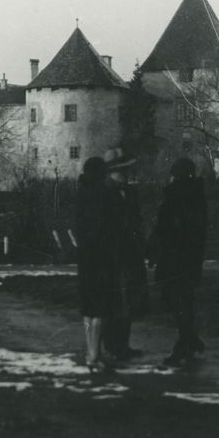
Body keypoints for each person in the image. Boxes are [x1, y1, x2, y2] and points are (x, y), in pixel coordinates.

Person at [152, 157, 208, 366]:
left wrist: (154, 250)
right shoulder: (197, 195)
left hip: (174, 258)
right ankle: (190, 340)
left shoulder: (175, 197)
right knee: (185, 301)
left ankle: (185, 343)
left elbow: (164, 228)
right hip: (191, 258)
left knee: (178, 302)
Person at [102, 147, 148, 361]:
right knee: (113, 300)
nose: (128, 173)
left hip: (130, 255)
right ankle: (110, 345)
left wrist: (141, 245)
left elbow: (136, 222)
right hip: (111, 255)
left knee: (128, 299)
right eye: (125, 169)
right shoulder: (103, 192)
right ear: (115, 171)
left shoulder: (130, 193)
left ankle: (123, 344)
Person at [75, 156, 120, 372]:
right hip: (102, 256)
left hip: (85, 256)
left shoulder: (80, 193)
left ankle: (91, 353)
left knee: (89, 308)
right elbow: (111, 226)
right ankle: (95, 356)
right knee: (102, 308)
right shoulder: (105, 193)